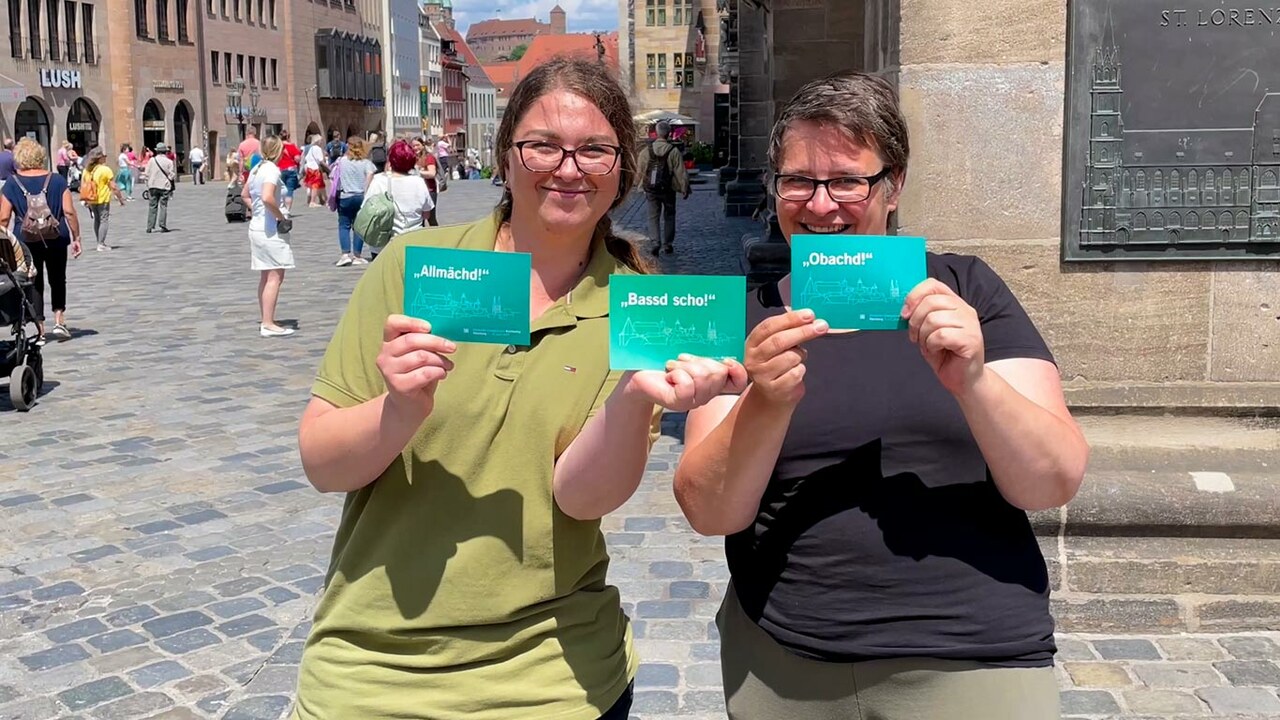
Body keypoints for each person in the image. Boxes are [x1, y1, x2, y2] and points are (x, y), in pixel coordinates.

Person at [292, 55, 740, 720]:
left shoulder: (643, 306)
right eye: (542, 146)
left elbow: (583, 497)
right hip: (370, 671)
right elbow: (322, 464)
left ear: (622, 171)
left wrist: (634, 396)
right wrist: (398, 412)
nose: (568, 167)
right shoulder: (415, 269)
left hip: (555, 678)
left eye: (594, 149)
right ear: (506, 156)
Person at [672, 72, 1090, 720]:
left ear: (892, 186)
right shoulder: (741, 317)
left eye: (846, 180)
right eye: (798, 181)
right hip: (787, 663)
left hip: (972, 659)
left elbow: (1051, 481)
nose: (819, 205)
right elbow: (709, 508)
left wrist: (973, 383)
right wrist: (767, 400)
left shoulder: (967, 289)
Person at [0, 138, 83, 340]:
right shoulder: (57, 180)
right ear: (41, 156)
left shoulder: (12, 183)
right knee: (57, 278)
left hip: (26, 239)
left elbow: (3, 217)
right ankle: (59, 320)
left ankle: (40, 328)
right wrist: (76, 237)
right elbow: (69, 212)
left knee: (33, 281)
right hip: (56, 236)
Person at [242, 135, 295, 338]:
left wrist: (256, 211)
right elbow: (267, 197)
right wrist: (280, 217)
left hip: (257, 227)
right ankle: (268, 323)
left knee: (265, 275)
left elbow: (245, 194)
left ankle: (267, 317)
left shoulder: (256, 168)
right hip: (270, 230)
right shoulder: (272, 170)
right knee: (275, 276)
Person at [361, 139, 434, 260]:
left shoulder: (379, 180)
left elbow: (366, 208)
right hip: (412, 242)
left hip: (383, 244)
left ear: (390, 161)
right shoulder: (418, 182)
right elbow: (426, 214)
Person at [636, 120, 690, 256]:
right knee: (669, 215)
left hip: (651, 189)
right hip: (668, 189)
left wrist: (638, 184)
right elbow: (680, 171)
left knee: (652, 216)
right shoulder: (674, 151)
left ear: (657, 133)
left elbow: (640, 171)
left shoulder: (645, 151)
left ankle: (655, 242)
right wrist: (685, 188)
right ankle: (668, 244)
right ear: (669, 134)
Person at [333, 136, 374, 267]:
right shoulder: (366, 163)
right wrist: (365, 190)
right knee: (358, 227)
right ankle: (357, 255)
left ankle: (345, 254)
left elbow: (333, 175)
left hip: (345, 196)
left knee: (343, 225)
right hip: (360, 196)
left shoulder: (341, 161)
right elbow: (370, 176)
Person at [81, 147, 127, 252]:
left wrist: (85, 200)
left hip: (91, 199)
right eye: (104, 156)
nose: (105, 158)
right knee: (104, 220)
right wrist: (120, 199)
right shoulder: (105, 170)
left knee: (97, 220)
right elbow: (114, 186)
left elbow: (83, 185)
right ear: (100, 158)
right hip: (102, 199)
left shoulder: (86, 170)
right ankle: (101, 244)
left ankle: (99, 241)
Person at [144, 142, 177, 233]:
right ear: (165, 152)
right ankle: (162, 225)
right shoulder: (169, 162)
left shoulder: (151, 160)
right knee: (163, 206)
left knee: (152, 206)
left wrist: (147, 183)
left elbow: (146, 173)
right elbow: (172, 175)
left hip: (153, 186)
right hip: (164, 186)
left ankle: (149, 226)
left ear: (157, 151)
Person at [411, 137, 440, 226]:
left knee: (430, 217)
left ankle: (438, 236)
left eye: (417, 145)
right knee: (419, 218)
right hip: (416, 191)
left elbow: (432, 173)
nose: (415, 148)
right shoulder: (412, 157)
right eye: (413, 146)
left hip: (429, 190)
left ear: (423, 145)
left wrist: (418, 172)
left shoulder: (429, 157)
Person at [277, 130, 303, 216]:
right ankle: (287, 210)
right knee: (289, 190)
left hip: (279, 170)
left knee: (279, 189)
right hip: (290, 169)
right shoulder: (291, 146)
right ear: (288, 137)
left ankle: (280, 208)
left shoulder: (277, 147)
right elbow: (297, 158)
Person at [303, 134, 329, 208]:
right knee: (315, 185)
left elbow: (306, 158)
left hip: (309, 168)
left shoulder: (311, 148)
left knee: (321, 184)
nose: (321, 141)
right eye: (320, 140)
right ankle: (312, 201)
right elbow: (321, 161)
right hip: (315, 169)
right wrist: (328, 168)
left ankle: (325, 199)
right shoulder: (317, 148)